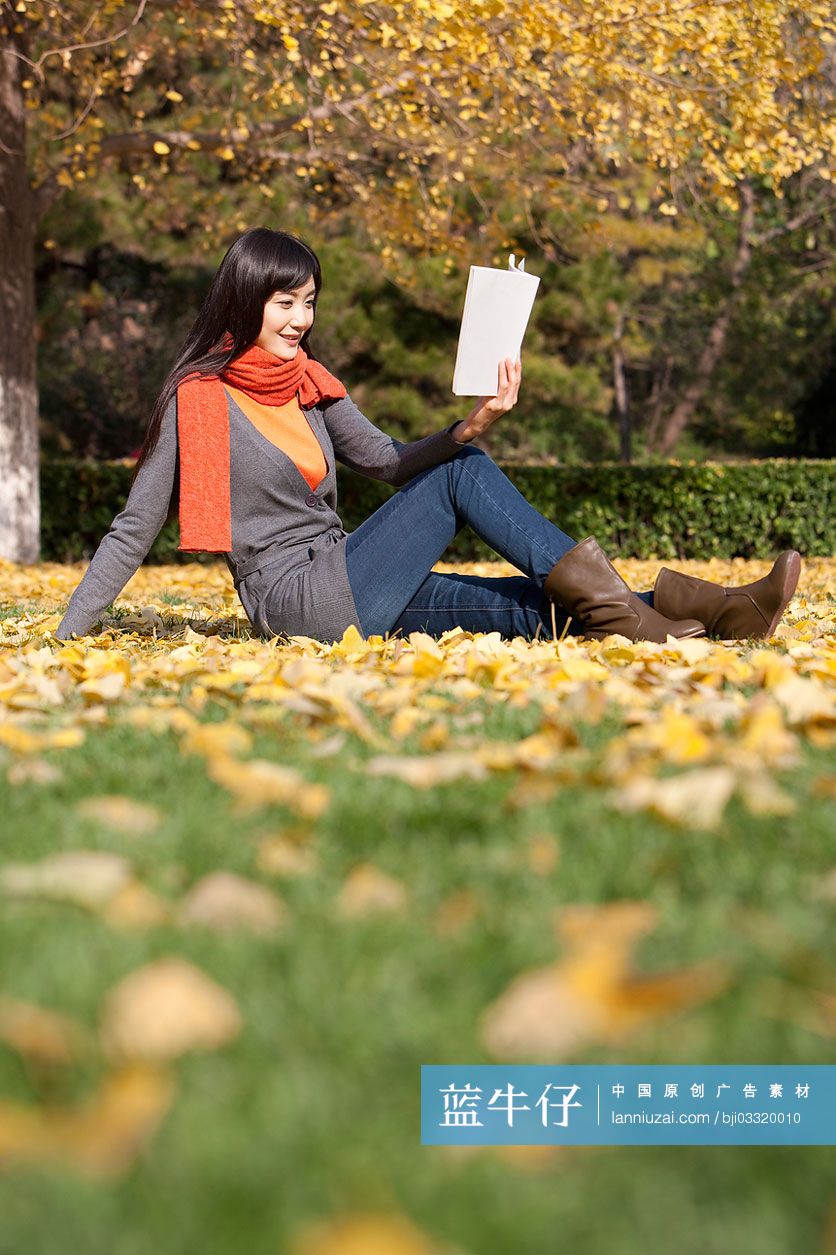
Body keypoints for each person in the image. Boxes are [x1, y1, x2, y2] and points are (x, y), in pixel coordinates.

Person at [54, 228, 801, 646]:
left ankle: (714, 611)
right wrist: (64, 635)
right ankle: (640, 618)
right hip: (295, 602)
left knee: (516, 606)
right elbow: (133, 528)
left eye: (309, 302)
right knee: (461, 473)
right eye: (285, 302)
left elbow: (385, 460)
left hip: (350, 575)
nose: (300, 320)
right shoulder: (200, 400)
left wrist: (470, 424)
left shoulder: (307, 381)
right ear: (246, 300)